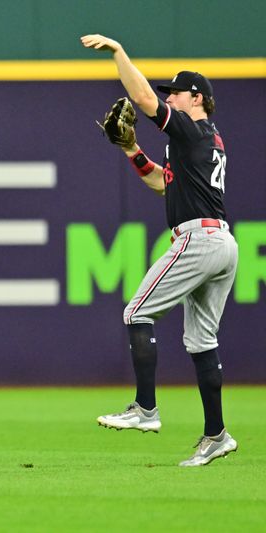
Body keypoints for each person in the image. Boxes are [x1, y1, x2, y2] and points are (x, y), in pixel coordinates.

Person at [82, 34, 238, 466]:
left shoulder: (191, 127)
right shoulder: (204, 139)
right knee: (201, 340)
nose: (171, 98)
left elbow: (145, 97)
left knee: (136, 312)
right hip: (222, 242)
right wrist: (133, 149)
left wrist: (118, 53)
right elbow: (160, 183)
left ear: (198, 98)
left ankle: (145, 410)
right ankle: (216, 434)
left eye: (178, 93)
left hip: (199, 239)